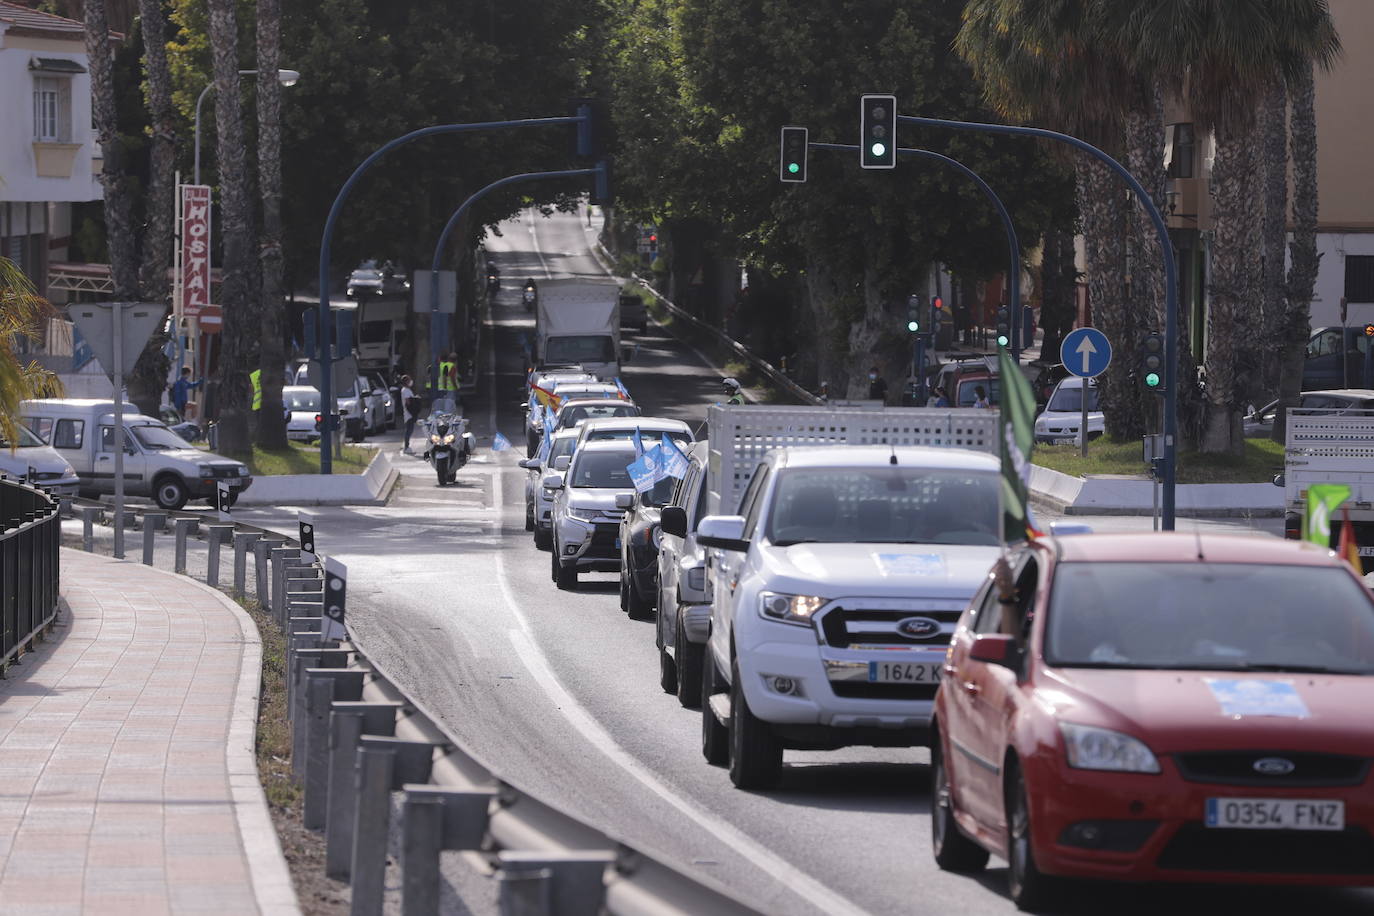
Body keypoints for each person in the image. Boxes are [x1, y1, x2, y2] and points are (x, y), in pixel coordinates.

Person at [400, 375, 419, 453]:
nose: (411, 381)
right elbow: (408, 402)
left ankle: (407, 446)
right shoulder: (405, 391)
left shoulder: (407, 390)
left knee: (410, 430)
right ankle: (406, 447)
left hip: (409, 414)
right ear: (406, 382)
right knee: (409, 430)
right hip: (409, 414)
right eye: (409, 380)